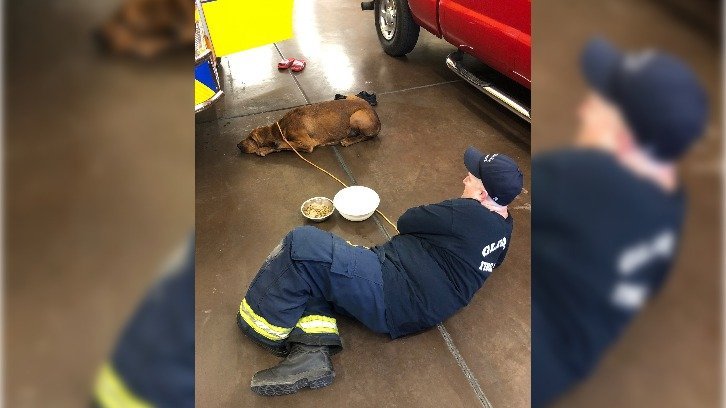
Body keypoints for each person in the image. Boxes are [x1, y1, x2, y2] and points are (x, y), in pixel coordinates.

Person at [236, 148, 524, 396]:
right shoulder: (504, 224)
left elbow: (407, 220)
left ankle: (260, 328)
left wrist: (461, 207)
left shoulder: (464, 211)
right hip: (413, 300)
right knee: (317, 273)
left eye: (471, 178)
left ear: (482, 193)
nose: (464, 178)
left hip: (394, 290)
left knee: (301, 245)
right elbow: (494, 261)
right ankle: (311, 352)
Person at [531, 38, 707, 407]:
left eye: (598, 103)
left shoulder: (575, 176)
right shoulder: (672, 202)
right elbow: (654, 282)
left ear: (623, 139)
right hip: (578, 355)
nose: (583, 108)